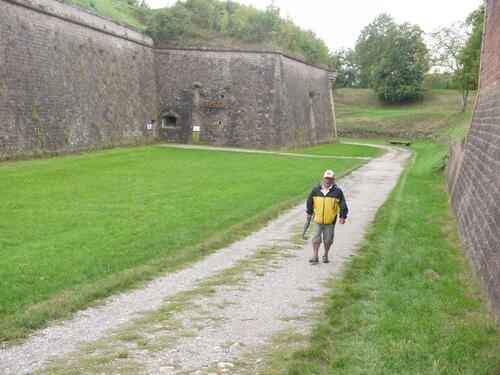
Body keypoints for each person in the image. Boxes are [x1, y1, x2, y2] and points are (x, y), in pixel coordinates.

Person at [306, 170, 348, 264]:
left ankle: (325, 255)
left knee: (328, 239)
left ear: (333, 179)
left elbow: (343, 204)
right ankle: (315, 256)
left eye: (330, 179)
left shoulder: (337, 191)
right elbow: (309, 202)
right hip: (317, 219)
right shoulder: (316, 189)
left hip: (330, 220)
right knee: (316, 238)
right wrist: (309, 213)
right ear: (323, 178)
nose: (327, 180)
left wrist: (342, 216)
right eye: (326, 178)